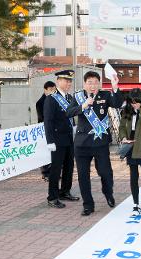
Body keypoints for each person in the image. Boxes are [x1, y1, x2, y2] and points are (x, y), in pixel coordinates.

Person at [67, 71, 123, 216]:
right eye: (89, 82)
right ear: (84, 84)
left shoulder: (105, 95)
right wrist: (83, 106)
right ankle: (88, 205)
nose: (92, 85)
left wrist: (115, 87)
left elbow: (117, 103)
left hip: (100, 143)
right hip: (82, 144)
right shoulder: (78, 97)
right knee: (83, 176)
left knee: (105, 172)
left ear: (99, 83)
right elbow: (68, 112)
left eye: (95, 82)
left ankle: (108, 193)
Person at [43, 70, 79, 209]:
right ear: (58, 81)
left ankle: (65, 191)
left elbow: (71, 118)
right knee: (56, 169)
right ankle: (52, 197)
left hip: (69, 138)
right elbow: (48, 121)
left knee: (69, 167)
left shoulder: (70, 98)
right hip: (57, 140)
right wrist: (50, 141)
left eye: (70, 81)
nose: (69, 83)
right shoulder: (51, 99)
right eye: (66, 80)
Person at [36, 81, 56, 181]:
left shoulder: (56, 99)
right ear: (45, 90)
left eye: (54, 90)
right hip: (44, 130)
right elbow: (42, 117)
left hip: (55, 130)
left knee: (54, 152)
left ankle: (54, 172)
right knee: (45, 152)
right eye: (50, 90)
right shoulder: (40, 102)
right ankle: (46, 173)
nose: (52, 92)